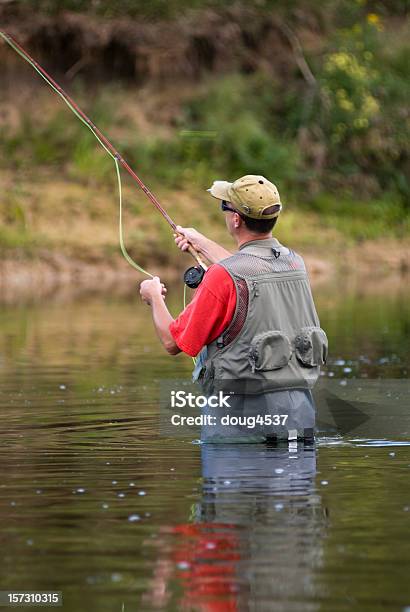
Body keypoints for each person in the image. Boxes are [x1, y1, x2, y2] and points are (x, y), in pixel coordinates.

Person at [139, 175, 328, 442]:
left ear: (236, 219)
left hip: (241, 427)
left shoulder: (223, 277)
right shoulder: (295, 264)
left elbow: (172, 342)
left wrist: (154, 297)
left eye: (224, 208)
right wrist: (201, 244)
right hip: (299, 419)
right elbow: (250, 269)